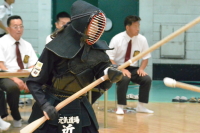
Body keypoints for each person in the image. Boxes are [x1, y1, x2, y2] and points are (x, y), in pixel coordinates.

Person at [26, 1, 122, 133]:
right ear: (81, 24)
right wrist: (44, 105)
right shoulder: (55, 48)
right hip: (53, 105)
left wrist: (110, 72)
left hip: (79, 104)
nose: (95, 30)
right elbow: (33, 82)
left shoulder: (96, 49)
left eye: (97, 27)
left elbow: (102, 69)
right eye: (92, 25)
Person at [106, 15, 154, 115]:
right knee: (124, 78)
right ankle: (120, 107)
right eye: (135, 26)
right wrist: (121, 69)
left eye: (139, 26)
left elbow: (146, 58)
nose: (138, 29)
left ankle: (141, 106)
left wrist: (141, 68)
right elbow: (109, 58)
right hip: (117, 67)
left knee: (146, 79)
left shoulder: (142, 39)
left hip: (133, 68)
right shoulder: (117, 39)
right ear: (127, 27)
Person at [0, 15, 38, 128]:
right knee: (13, 87)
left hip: (24, 75)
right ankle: (16, 116)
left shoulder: (27, 45)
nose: (19, 29)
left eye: (21, 26)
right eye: (15, 26)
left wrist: (30, 80)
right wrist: (15, 78)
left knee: (41, 83)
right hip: (5, 76)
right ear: (8, 28)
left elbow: (33, 64)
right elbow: (1, 65)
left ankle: (37, 116)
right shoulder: (1, 42)